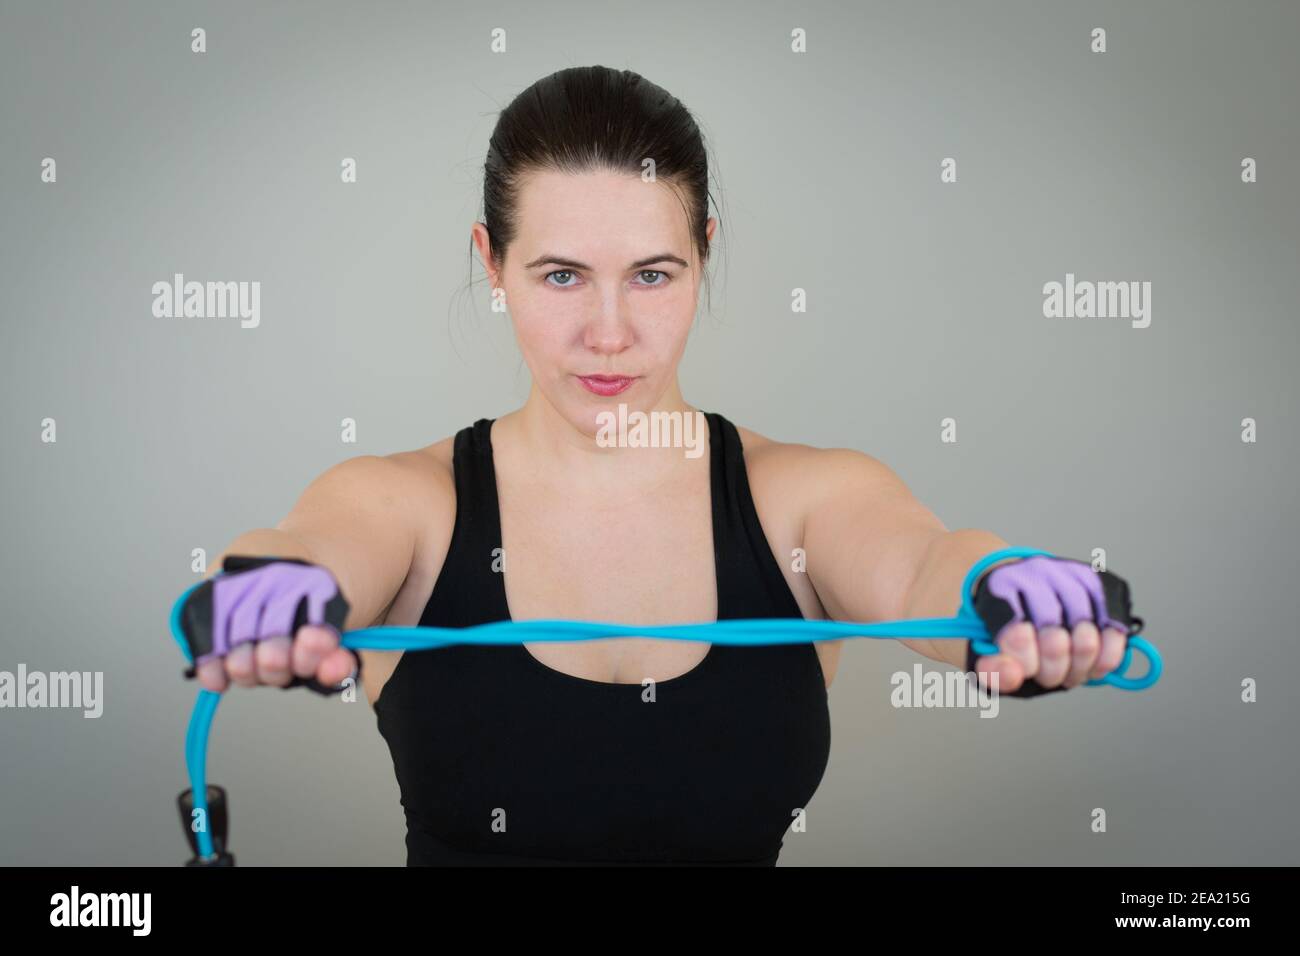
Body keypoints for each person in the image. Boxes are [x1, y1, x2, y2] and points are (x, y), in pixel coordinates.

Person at [189, 66, 1138, 866]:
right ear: (491, 263)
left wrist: (1005, 586)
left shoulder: (800, 500)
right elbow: (305, 550)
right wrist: (271, 591)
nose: (609, 335)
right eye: (561, 276)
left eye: (653, 273)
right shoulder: (410, 504)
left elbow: (928, 564)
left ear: (705, 253)